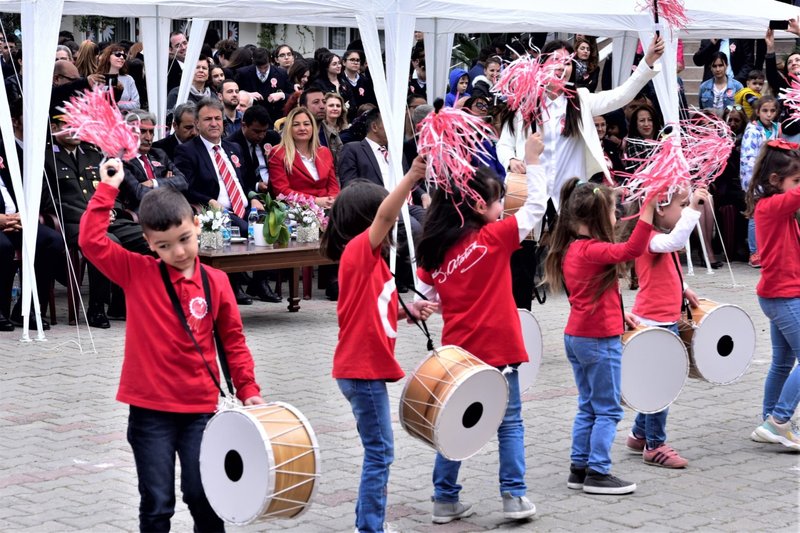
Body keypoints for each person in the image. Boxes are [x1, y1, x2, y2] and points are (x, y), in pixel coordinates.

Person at [79, 160, 266, 531]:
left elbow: (233, 343)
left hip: (200, 409)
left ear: (197, 225)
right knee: (157, 503)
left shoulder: (216, 282)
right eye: (164, 246)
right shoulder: (137, 272)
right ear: (149, 243)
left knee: (205, 496)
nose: (178, 252)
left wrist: (249, 390)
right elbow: (90, 242)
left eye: (184, 239)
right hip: (150, 412)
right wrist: (108, 189)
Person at [414, 133, 547, 524]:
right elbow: (536, 206)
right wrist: (533, 161)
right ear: (478, 204)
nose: (503, 205)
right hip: (500, 351)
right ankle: (514, 497)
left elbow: (421, 293)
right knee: (510, 423)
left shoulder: (437, 250)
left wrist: (427, 303)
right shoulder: (495, 237)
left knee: (454, 422)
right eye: (498, 200)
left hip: (457, 355)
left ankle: (444, 499)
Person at [321, 157, 436, 533]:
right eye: (382, 216)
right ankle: (369, 527)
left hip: (363, 371)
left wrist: (409, 311)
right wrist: (413, 177)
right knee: (381, 452)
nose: (391, 224)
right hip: (361, 371)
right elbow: (386, 216)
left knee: (379, 450)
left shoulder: (371, 262)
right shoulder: (358, 251)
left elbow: (375, 308)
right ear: (367, 220)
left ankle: (368, 524)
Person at [543, 179, 657, 495]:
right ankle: (598, 472)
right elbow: (633, 249)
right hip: (597, 339)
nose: (616, 215)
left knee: (588, 407)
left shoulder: (573, 249)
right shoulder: (593, 250)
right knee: (608, 409)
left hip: (578, 336)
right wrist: (648, 209)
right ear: (598, 216)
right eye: (612, 209)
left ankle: (579, 469)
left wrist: (620, 313)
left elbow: (590, 292)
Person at [625, 186, 710, 468]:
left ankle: (639, 433)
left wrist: (684, 288)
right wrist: (695, 211)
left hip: (665, 320)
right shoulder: (649, 238)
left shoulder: (658, 237)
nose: (685, 209)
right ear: (660, 209)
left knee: (657, 383)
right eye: (681, 205)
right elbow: (674, 243)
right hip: (654, 323)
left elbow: (669, 266)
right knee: (663, 384)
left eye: (687, 204)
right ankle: (655, 444)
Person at [746, 140, 800, 451]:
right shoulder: (771, 207)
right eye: (795, 182)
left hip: (780, 295)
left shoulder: (778, 210)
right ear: (775, 182)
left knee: (782, 362)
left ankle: (770, 421)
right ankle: (778, 420)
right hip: (783, 297)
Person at [268, 106, 339, 207]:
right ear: (289, 128)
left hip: (328, 208)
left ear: (313, 127)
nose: (302, 128)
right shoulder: (278, 153)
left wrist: (332, 200)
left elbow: (333, 186)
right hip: (296, 211)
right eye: (296, 125)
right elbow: (282, 191)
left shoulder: (325, 152)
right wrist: (315, 201)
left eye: (306, 124)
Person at [120, 110, 188, 212]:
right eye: (142, 131)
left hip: (169, 209)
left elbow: (183, 182)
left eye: (151, 132)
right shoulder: (121, 160)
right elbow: (138, 193)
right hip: (141, 213)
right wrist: (169, 186)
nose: (148, 138)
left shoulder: (159, 154)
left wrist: (154, 182)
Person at [740, 95, 779, 268]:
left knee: (771, 215)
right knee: (756, 215)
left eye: (772, 110)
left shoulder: (777, 128)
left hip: (774, 178)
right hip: (756, 179)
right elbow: (748, 158)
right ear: (757, 112)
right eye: (765, 110)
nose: (768, 114)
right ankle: (754, 251)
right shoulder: (753, 130)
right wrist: (753, 182)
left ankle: (769, 250)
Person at [94, 43, 140, 113]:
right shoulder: (98, 78)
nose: (121, 57)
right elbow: (95, 103)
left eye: (124, 56)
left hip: (124, 119)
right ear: (108, 57)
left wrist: (117, 105)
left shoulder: (128, 79)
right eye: (117, 54)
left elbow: (136, 104)